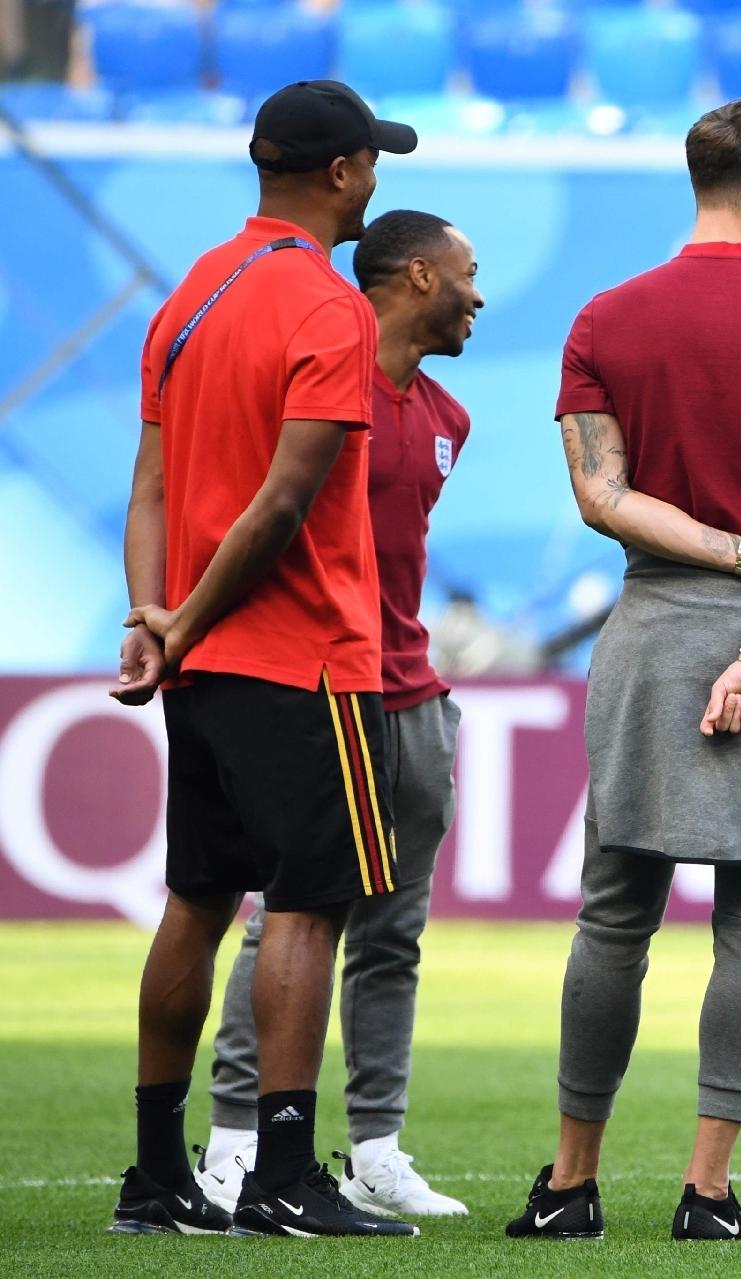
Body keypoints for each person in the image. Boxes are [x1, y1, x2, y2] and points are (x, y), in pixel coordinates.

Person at [503, 98, 741, 1244]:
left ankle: (570, 1184)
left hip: (651, 636)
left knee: (614, 914)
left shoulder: (606, 320)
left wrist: (720, 555)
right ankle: (708, 1192)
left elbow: (600, 494)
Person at [107, 79, 420, 1238]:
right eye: (372, 161)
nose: (376, 178)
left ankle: (153, 1175)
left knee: (196, 897)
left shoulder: (188, 293)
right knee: (309, 902)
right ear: (342, 174)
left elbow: (147, 484)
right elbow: (287, 501)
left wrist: (156, 613)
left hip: (203, 660)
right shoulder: (328, 309)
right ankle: (286, 1174)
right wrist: (182, 620)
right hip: (307, 658)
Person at [191, 210, 485, 1222]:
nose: (478, 296)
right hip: (322, 689)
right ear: (416, 277)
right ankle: (233, 1140)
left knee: (392, 935)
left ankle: (377, 1147)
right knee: (288, 915)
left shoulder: (450, 417)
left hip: (413, 695)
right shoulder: (325, 377)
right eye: (466, 275)